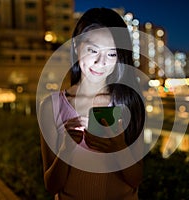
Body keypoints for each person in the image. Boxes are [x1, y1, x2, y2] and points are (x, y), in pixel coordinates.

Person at [38, 7, 146, 200]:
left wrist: (118, 148)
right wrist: (66, 150)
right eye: (92, 50)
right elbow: (51, 185)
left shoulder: (129, 102)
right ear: (76, 47)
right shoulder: (51, 106)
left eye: (111, 54)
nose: (100, 62)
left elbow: (135, 179)